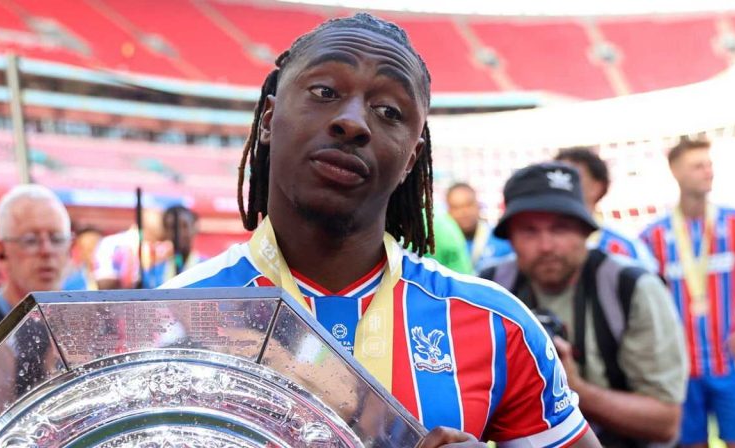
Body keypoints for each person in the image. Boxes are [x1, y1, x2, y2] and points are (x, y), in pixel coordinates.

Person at [163, 13, 600, 447]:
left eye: (389, 111)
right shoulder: (173, 318)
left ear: (412, 157)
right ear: (268, 119)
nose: (353, 122)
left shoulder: (497, 324)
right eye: (325, 91)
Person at [480, 162, 687, 447]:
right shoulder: (491, 289)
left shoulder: (632, 287)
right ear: (510, 238)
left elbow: (665, 421)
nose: (546, 246)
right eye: (529, 231)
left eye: (560, 228)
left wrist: (571, 389)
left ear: (585, 231)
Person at [639, 137, 735, 448]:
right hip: (681, 370)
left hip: (732, 364)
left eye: (709, 164)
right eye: (698, 166)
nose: (708, 172)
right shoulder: (652, 237)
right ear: (676, 172)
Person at [0, 184, 72, 351]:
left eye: (57, 239)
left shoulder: (84, 327)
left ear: (70, 247)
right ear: (1, 252)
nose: (46, 251)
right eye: (30, 240)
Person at [555, 147, 658, 272]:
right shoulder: (540, 245)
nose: (561, 186)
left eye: (572, 178)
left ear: (597, 187)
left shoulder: (625, 245)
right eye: (555, 178)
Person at [446, 182, 514, 274]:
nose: (463, 212)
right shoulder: (442, 245)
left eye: (468, 205)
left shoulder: (500, 238)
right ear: (448, 211)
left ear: (478, 205)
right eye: (456, 208)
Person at [93, 208, 169, 289]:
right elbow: (104, 284)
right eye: (156, 238)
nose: (157, 243)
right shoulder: (110, 243)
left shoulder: (162, 250)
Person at [144, 205, 206, 287]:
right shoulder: (153, 274)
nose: (179, 233)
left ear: (194, 228)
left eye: (184, 226)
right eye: (172, 227)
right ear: (165, 231)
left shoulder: (208, 268)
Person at [62, 226, 103, 290]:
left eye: (95, 247)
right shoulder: (69, 281)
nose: (92, 254)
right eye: (87, 249)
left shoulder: (114, 276)